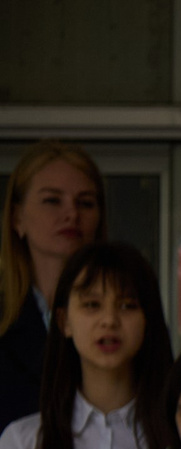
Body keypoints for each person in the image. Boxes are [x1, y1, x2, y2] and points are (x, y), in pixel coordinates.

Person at [0, 239, 173, 449]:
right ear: (64, 321)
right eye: (92, 305)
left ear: (148, 321)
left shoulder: (177, 438)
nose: (109, 320)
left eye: (127, 305)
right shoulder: (23, 444)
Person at [0, 144, 105, 431]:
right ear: (17, 218)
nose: (72, 214)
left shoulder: (128, 309)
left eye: (86, 203)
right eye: (52, 200)